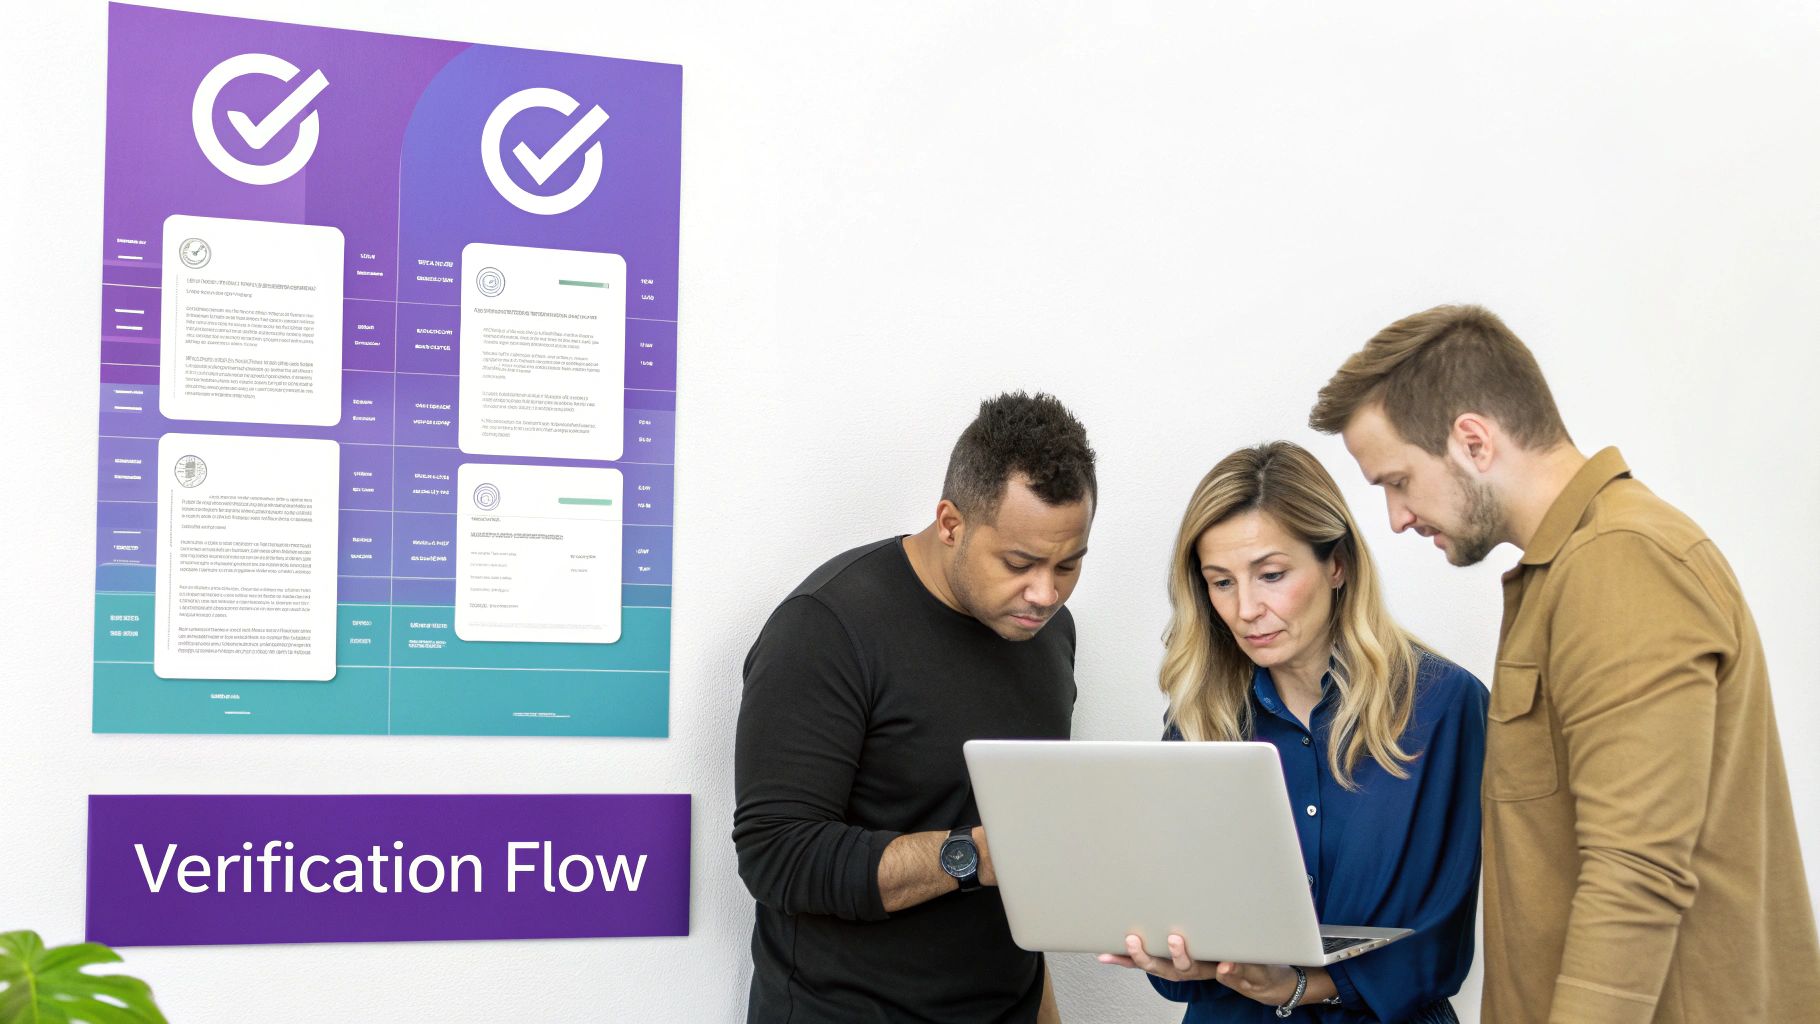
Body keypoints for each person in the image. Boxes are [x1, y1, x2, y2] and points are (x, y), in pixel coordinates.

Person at [1310, 304, 1820, 1023]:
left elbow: (1635, 873)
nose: (1395, 517)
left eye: (1398, 481)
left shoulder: (1622, 562)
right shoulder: (1569, 571)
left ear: (1473, 441)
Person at [733, 391, 1097, 1023]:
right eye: (1020, 563)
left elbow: (1023, 856)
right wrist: (977, 854)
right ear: (951, 522)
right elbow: (777, 855)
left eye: (1069, 564)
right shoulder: (826, 628)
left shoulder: (1048, 634)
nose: (1045, 592)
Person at [1104, 441, 1486, 1023]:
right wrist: (1178, 958)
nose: (1246, 608)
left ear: (1337, 565)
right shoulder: (1200, 719)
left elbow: (1440, 939)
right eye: (1221, 582)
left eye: (1272, 574)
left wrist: (1301, 984)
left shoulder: (1443, 706)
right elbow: (1186, 931)